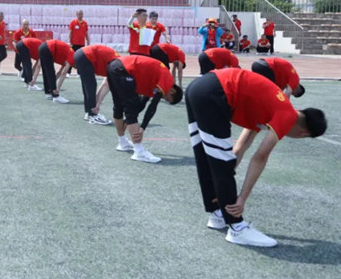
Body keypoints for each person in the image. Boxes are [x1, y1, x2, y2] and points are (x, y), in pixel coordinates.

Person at [185, 68, 326, 247]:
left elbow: (241, 147)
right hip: (215, 91)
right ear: (304, 134)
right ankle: (237, 227)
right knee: (221, 160)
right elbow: (260, 157)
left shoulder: (272, 107)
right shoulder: (287, 116)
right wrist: (241, 199)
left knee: (208, 158)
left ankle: (217, 213)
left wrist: (221, 187)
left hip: (199, 87)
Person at [101, 55, 183, 163]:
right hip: (124, 69)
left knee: (119, 106)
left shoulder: (157, 79)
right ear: (172, 91)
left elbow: (143, 102)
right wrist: (142, 128)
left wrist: (127, 122)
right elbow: (153, 106)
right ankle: (139, 152)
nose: (164, 98)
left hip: (114, 66)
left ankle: (122, 142)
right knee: (130, 108)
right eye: (167, 98)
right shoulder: (167, 80)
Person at [75, 44, 117, 125]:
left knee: (87, 85)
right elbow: (107, 84)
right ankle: (93, 115)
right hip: (85, 55)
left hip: (81, 54)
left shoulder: (115, 62)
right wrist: (96, 105)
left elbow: (106, 83)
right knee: (90, 85)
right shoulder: (116, 65)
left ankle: (89, 112)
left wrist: (96, 104)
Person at [38, 39, 74, 104]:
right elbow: (63, 74)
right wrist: (57, 89)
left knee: (47, 72)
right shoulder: (72, 57)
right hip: (47, 47)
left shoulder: (68, 57)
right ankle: (56, 96)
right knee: (50, 72)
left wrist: (53, 82)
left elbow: (59, 72)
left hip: (43, 47)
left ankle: (49, 92)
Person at [67, 10, 90, 76]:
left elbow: (86, 33)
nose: (80, 15)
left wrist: (88, 41)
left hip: (81, 44)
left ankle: (79, 73)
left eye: (81, 14)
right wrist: (69, 42)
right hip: (73, 43)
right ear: (76, 15)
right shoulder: (73, 22)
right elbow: (70, 32)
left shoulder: (85, 23)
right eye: (79, 14)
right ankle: (68, 72)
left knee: (80, 58)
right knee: (71, 57)